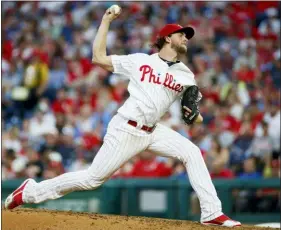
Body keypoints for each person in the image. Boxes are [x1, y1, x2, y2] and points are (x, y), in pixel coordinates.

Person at [5, 5, 241, 227]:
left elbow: (193, 114)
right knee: (92, 180)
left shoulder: (185, 74)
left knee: (191, 152)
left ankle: (211, 212)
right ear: (168, 38)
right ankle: (30, 192)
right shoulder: (140, 61)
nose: (186, 38)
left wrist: (194, 116)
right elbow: (98, 58)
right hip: (126, 128)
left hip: (153, 130)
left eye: (186, 35)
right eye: (181, 34)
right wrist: (106, 20)